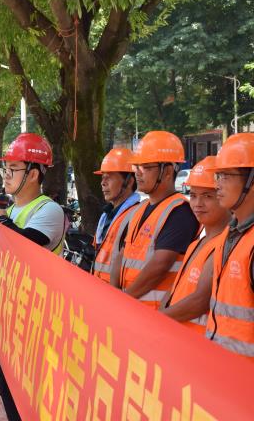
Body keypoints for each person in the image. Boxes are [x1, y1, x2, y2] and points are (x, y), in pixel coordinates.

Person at [0, 132, 65, 421]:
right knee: (9, 399)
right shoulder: (12, 210)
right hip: (9, 327)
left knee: (29, 407)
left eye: (13, 169)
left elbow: (23, 246)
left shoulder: (48, 210)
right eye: (6, 168)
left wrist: (2, 220)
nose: (6, 175)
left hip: (36, 329)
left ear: (33, 174)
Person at [115, 131, 199, 307]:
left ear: (167, 171)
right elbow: (122, 254)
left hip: (153, 314)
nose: (137, 173)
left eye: (145, 167)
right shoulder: (140, 209)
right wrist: (114, 295)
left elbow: (160, 266)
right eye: (136, 166)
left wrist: (123, 300)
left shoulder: (180, 212)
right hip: (131, 309)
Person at [160, 157, 228, 333]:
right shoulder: (197, 243)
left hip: (197, 341)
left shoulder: (225, 245)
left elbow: (200, 301)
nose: (198, 204)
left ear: (224, 196)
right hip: (179, 337)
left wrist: (157, 319)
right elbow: (176, 289)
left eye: (207, 196)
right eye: (193, 195)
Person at [206, 133, 254, 360]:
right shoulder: (230, 232)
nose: (217, 185)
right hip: (221, 367)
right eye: (218, 176)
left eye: (225, 176)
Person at [92, 148, 140, 283]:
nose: (103, 183)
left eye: (109, 177)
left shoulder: (135, 215)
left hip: (115, 291)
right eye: (103, 177)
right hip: (99, 289)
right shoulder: (106, 215)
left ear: (129, 181)